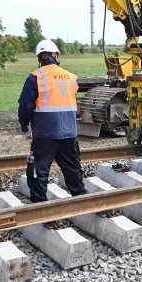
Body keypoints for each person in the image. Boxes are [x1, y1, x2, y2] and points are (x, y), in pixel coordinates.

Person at [18, 39, 88, 203]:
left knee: (38, 169)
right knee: (72, 166)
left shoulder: (35, 77)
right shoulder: (71, 77)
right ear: (56, 55)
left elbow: (25, 106)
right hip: (70, 133)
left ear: (39, 58)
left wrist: (23, 124)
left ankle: (40, 203)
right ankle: (80, 197)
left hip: (45, 134)